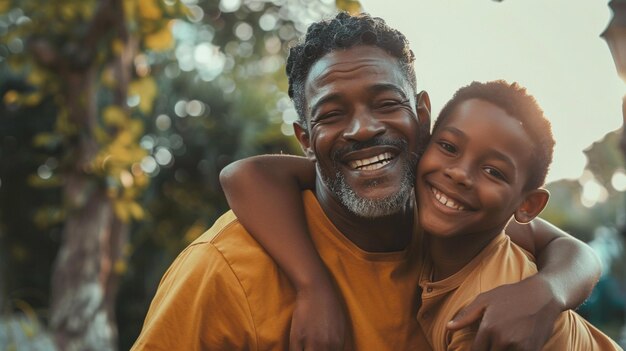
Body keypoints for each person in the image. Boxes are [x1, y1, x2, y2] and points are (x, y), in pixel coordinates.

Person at [133, 13, 600, 350]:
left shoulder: (457, 222)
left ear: (421, 115)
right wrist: (314, 284)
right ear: (306, 140)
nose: (362, 129)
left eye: (385, 104)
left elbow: (574, 251)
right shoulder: (226, 273)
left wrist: (548, 292)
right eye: (332, 115)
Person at [411, 80, 620, 350]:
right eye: (449, 147)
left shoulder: (481, 322)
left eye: (494, 172)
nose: (460, 173)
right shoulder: (478, 231)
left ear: (527, 205)